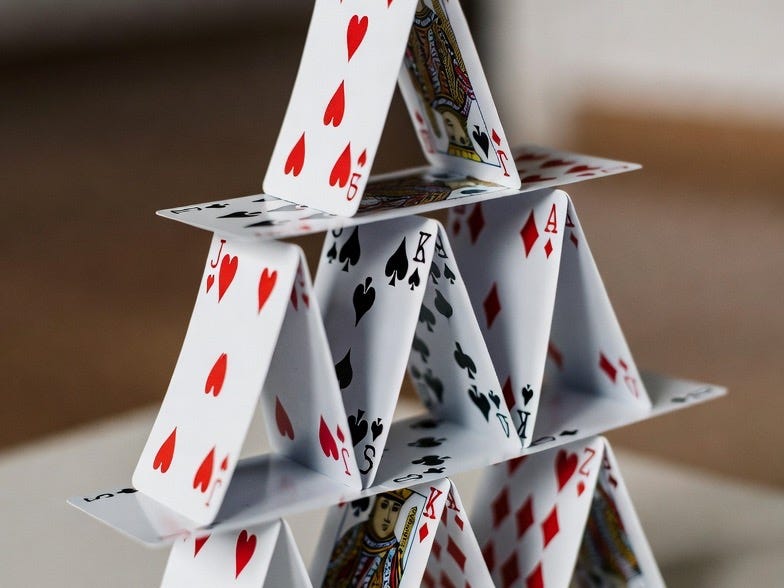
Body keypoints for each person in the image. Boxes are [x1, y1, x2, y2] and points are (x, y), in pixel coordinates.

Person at [322, 489, 413, 588]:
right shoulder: (355, 534)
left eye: (395, 509)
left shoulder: (394, 558)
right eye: (384, 505)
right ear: (374, 507)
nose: (387, 517)